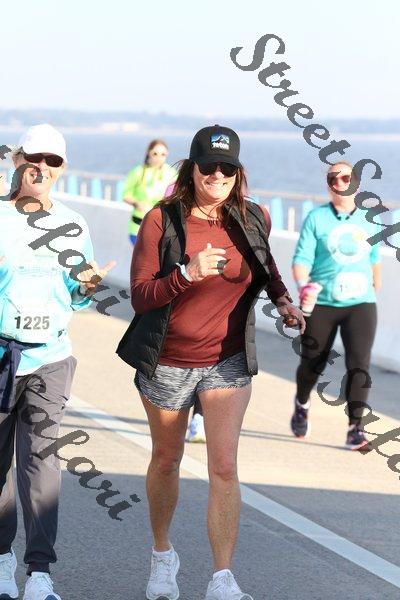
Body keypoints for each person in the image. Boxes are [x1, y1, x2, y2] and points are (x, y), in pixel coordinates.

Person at [117, 124, 305, 600]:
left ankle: (222, 578)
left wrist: (283, 301)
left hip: (227, 359)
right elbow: (141, 296)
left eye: (227, 168)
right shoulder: (162, 219)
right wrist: (186, 274)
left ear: (237, 172)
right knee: (167, 460)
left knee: (223, 465)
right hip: (168, 360)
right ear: (192, 169)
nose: (218, 175)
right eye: (209, 167)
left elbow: (265, 264)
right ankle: (163, 555)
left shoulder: (253, 215)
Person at [0, 124, 115, 600]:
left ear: (62, 169)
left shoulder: (73, 224)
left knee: (41, 464)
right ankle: (2, 560)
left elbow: (77, 292)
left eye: (53, 161)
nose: (42, 168)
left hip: (50, 357)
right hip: (2, 357)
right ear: (17, 160)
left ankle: (39, 572)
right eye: (34, 158)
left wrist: (87, 286)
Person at [291, 161, 381, 450]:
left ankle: (356, 428)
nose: (340, 183)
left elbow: (374, 258)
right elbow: (302, 258)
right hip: (322, 303)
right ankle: (302, 403)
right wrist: (303, 286)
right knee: (312, 362)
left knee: (359, 364)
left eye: (346, 178)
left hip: (361, 304)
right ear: (328, 185)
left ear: (356, 182)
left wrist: (374, 288)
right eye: (333, 179)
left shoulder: (369, 219)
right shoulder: (317, 218)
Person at [123, 139, 176, 244]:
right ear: (148, 153)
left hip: (161, 226)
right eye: (155, 154)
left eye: (163, 154)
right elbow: (126, 195)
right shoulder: (138, 172)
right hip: (138, 227)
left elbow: (177, 195)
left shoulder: (172, 173)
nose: (159, 158)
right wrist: (136, 203)